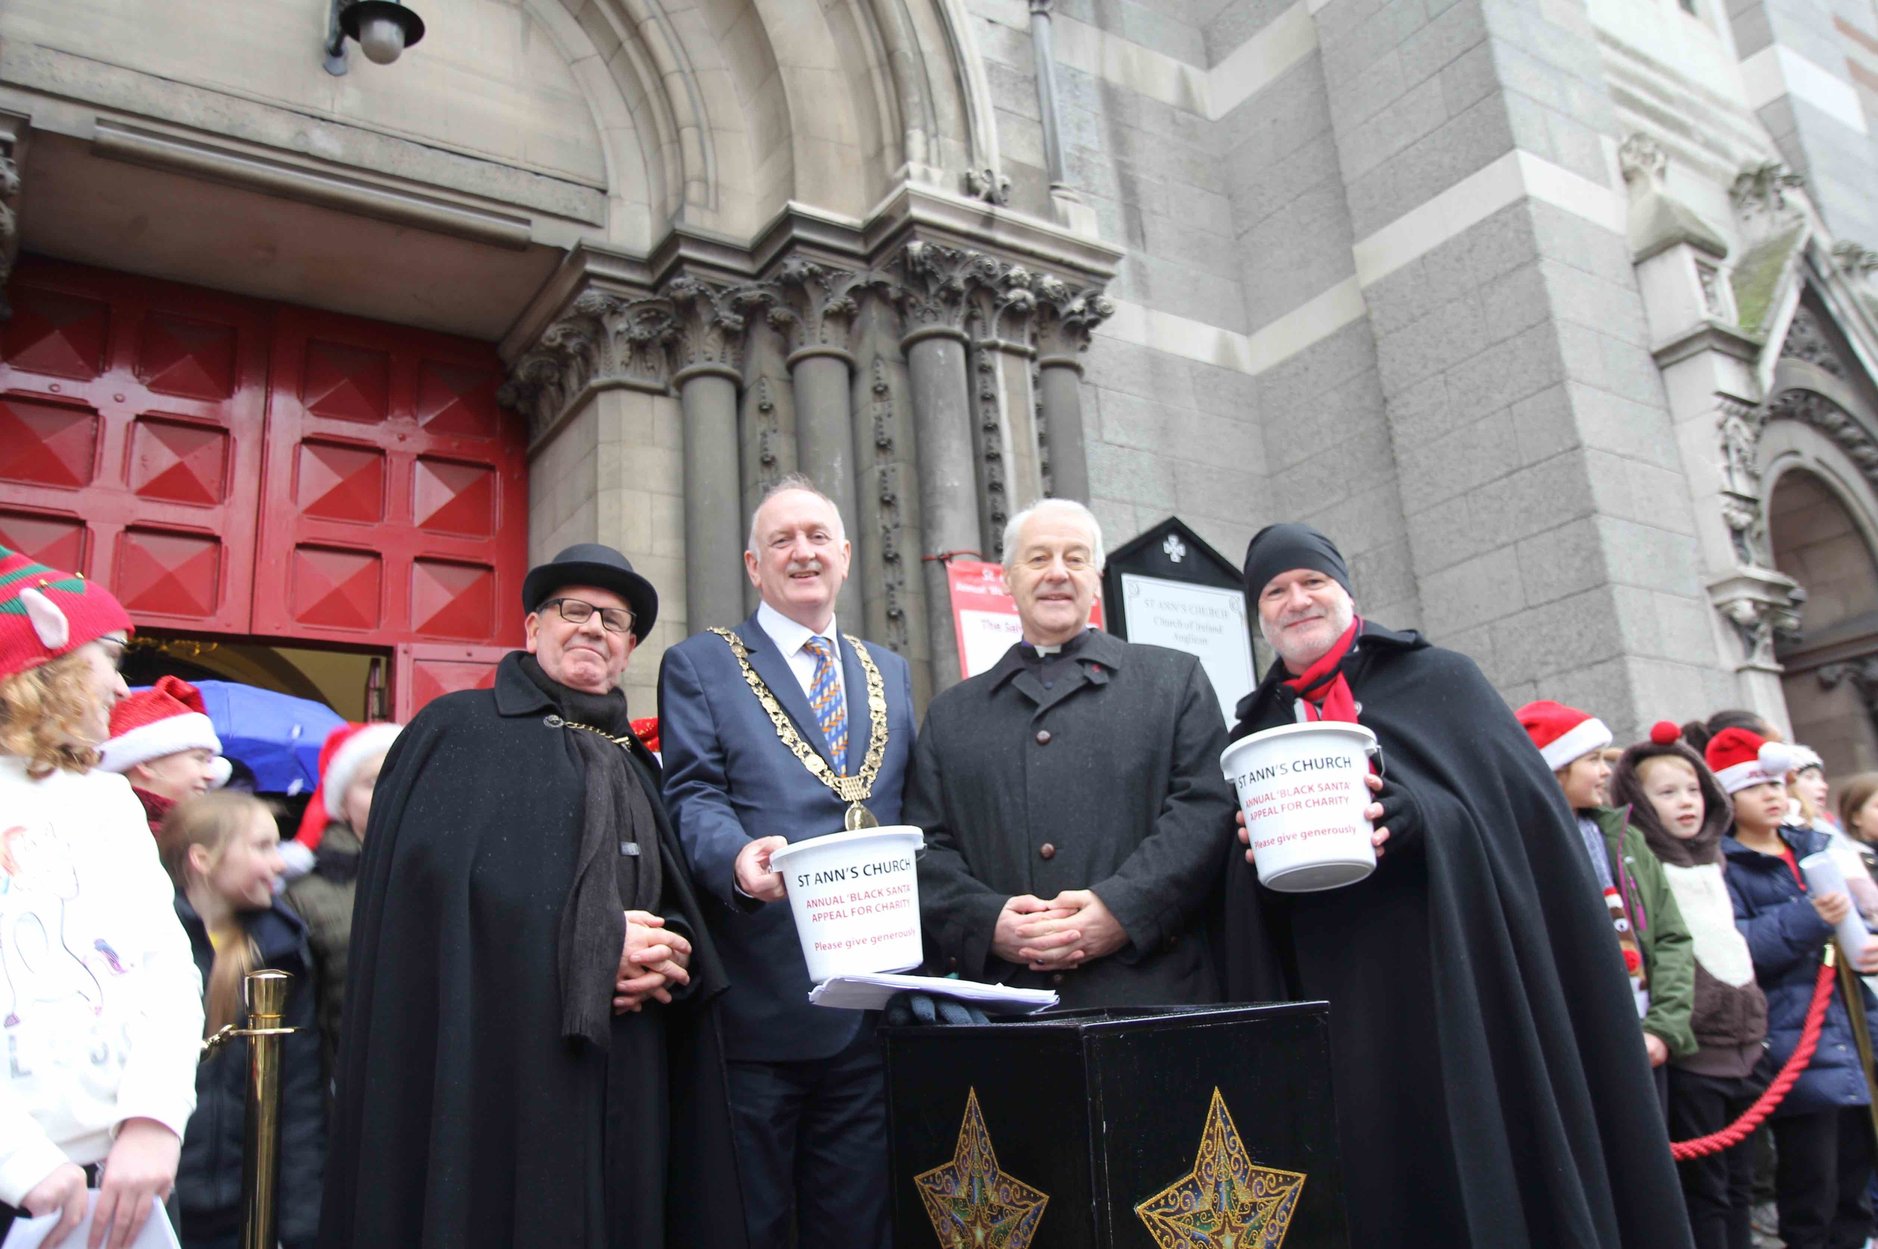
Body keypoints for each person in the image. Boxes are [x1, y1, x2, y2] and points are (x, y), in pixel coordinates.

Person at [1221, 523, 1695, 1249]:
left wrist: (1425, 816)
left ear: (1347, 593)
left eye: (1312, 582)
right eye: (1275, 592)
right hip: (1339, 998)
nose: (1296, 601)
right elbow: (1248, 902)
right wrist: (1253, 854)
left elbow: (1517, 828)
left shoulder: (1440, 681)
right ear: (1260, 617)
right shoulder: (1253, 731)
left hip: (1463, 988)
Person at [317, 543, 745, 1249]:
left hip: (630, 1065)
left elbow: (670, 893)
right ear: (531, 628)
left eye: (613, 619)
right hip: (503, 1066)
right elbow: (435, 905)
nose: (592, 628)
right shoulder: (458, 731)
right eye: (572, 610)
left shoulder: (635, 761)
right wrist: (594, 942)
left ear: (630, 647)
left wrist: (667, 946)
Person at [659, 476, 916, 1249]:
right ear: (752, 563)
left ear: (844, 554)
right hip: (762, 1005)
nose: (801, 552)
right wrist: (737, 858)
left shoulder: (890, 671)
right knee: (753, 1225)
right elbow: (693, 794)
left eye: (816, 537)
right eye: (781, 540)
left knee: (857, 1225)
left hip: (872, 1005)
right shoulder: (702, 662)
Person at [904, 498, 1234, 1004]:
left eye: (1075, 558)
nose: (1057, 573)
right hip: (1008, 1010)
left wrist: (1123, 909)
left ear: (1096, 576)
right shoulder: (952, 714)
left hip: (1150, 996)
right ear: (1007, 579)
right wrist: (988, 921)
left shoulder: (1174, 681)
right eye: (1038, 559)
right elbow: (924, 845)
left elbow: (1204, 810)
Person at [0, 546, 202, 1249]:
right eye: (110, 657)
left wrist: (153, 1117)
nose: (121, 687)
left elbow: (164, 968)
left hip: (117, 1178)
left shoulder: (108, 800)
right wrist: (19, 1160)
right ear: (42, 664)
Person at [1715, 726, 1878, 1249]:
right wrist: (1809, 918)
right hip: (1792, 1046)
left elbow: (1855, 924)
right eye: (1755, 787)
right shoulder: (1725, 865)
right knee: (1812, 1189)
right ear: (1729, 797)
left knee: (1855, 1188)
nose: (1771, 795)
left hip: (1849, 1034)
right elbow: (1739, 948)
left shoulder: (1814, 848)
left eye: (1776, 785)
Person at [1612, 722, 1770, 1249]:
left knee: (1742, 1184)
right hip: (1694, 1053)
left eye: (1693, 789)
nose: (1686, 803)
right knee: (1708, 1191)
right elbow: (1671, 950)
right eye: (1667, 792)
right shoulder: (1646, 865)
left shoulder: (1713, 861)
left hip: (1744, 1047)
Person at [158, 792, 323, 1249]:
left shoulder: (279, 948)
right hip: (158, 1199)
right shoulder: (149, 945)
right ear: (202, 859)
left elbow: (300, 1099)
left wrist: (301, 1224)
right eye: (261, 847)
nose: (278, 864)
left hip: (242, 1208)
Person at [1518, 700, 1697, 1098]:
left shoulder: (1626, 838)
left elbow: (1671, 936)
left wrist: (1662, 1030)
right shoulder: (1521, 850)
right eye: (1593, 759)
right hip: (1583, 1048)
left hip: (1646, 1037)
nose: (1606, 771)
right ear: (1556, 768)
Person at [283, 721, 400, 1082]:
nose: (388, 790)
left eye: (401, 774)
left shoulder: (458, 875)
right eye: (370, 782)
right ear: (343, 805)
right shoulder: (304, 893)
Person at [98, 675, 230, 833]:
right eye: (199, 759)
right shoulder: (101, 828)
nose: (211, 775)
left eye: (209, 762)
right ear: (146, 762)